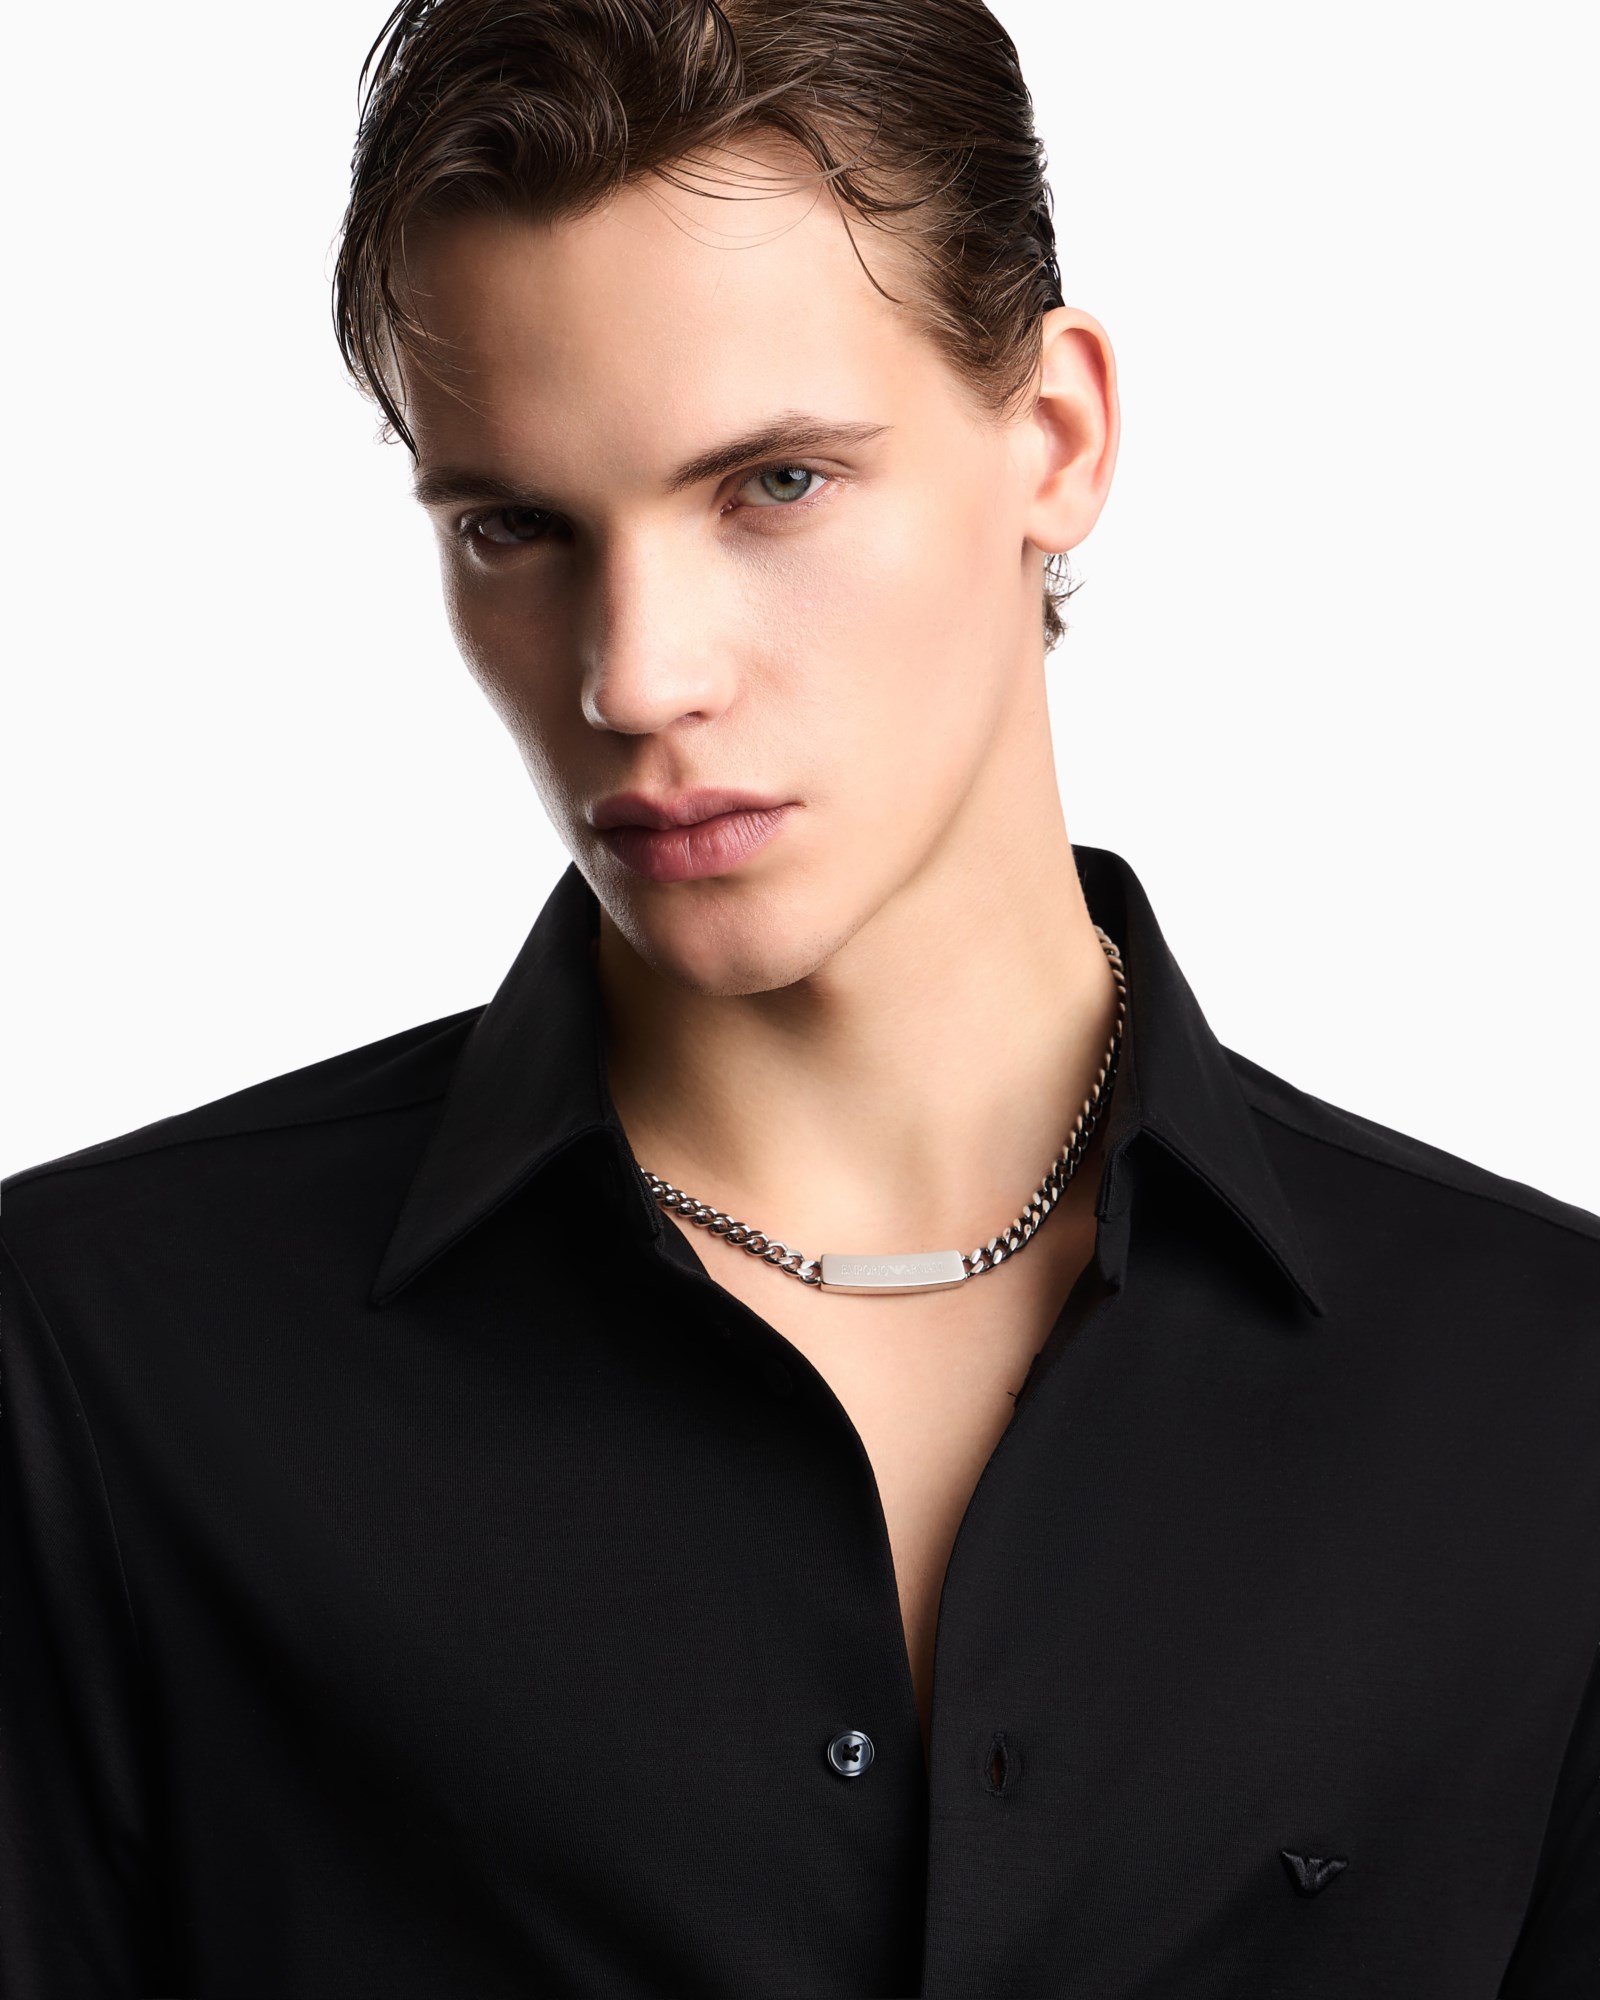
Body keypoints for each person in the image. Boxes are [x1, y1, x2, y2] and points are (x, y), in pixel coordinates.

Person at [2, 0, 1595, 1992]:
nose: (635, 675)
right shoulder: (95, 1365)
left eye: (771, 485)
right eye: (515, 526)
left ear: (1056, 438)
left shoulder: (1542, 1404)